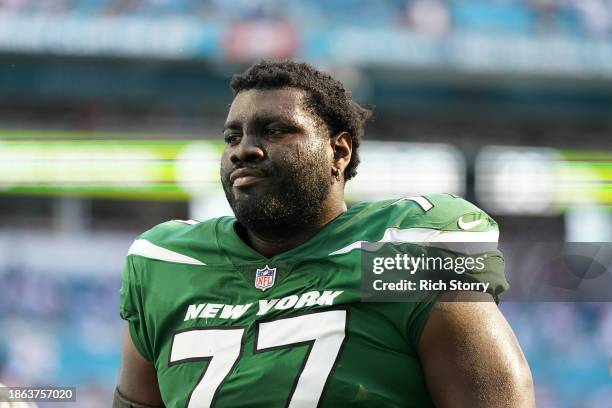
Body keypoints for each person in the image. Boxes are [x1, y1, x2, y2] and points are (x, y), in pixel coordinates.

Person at [114, 60, 535, 407]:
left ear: (339, 151)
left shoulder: (399, 250)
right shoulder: (168, 261)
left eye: (276, 130)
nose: (244, 149)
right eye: (232, 136)